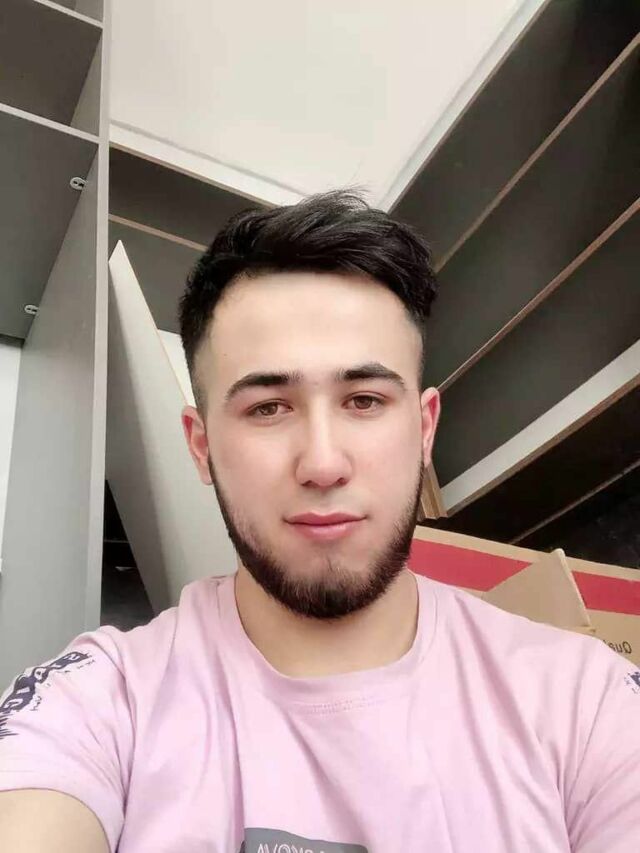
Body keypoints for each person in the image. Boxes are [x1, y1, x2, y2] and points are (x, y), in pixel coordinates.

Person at [0, 192, 638, 853]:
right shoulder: (100, 702)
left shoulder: (585, 702)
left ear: (424, 430)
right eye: (269, 408)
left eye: (364, 400)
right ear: (201, 446)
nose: (323, 464)